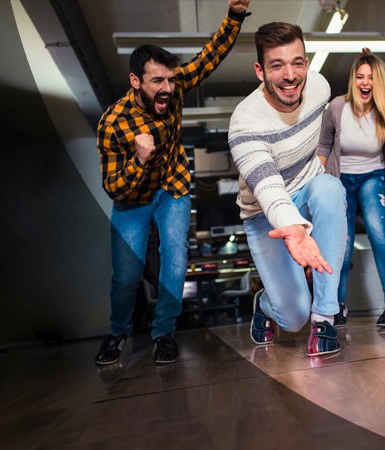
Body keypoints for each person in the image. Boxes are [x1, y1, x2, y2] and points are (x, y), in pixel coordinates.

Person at [95, 0, 252, 366]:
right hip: (131, 200)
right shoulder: (113, 123)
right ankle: (118, 332)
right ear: (136, 81)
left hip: (172, 187)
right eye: (157, 81)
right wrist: (139, 160)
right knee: (127, 276)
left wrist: (234, 16)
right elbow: (114, 188)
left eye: (170, 79)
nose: (167, 88)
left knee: (176, 258)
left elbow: (209, 56)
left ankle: (163, 333)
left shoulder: (174, 86)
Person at [227, 21, 345, 357]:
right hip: (265, 213)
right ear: (260, 70)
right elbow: (268, 187)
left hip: (309, 189)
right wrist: (292, 227)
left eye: (297, 63)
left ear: (307, 64)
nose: (289, 75)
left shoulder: (320, 88)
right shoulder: (245, 122)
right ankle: (265, 303)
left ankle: (325, 316)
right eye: (276, 65)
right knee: (293, 318)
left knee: (330, 189)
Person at [316, 48, 385, 328]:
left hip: (372, 176)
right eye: (360, 77)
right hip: (340, 180)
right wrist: (318, 185)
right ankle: (337, 305)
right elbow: (324, 146)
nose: (365, 83)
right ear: (352, 79)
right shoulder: (337, 107)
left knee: (379, 234)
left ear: (378, 82)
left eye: (371, 78)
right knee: (341, 243)